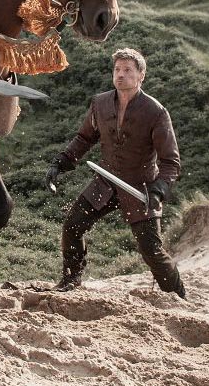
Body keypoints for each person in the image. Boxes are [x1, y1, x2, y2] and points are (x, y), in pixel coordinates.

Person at [44, 47, 186, 298]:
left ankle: (177, 295)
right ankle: (71, 280)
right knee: (72, 227)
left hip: (140, 187)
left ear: (141, 75)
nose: (121, 75)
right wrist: (61, 162)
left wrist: (159, 190)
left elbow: (170, 162)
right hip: (106, 182)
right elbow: (84, 138)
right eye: (117, 69)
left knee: (151, 250)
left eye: (128, 70)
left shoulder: (155, 112)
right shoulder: (100, 103)